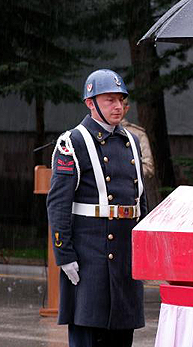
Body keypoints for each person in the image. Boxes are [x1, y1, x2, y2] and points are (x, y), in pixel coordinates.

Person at [47, 69, 147, 347]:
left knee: (121, 336)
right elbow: (58, 204)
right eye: (109, 100)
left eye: (121, 100)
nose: (118, 107)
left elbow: (140, 198)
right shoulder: (73, 142)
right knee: (88, 335)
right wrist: (64, 254)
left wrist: (144, 249)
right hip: (89, 255)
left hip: (125, 254)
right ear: (90, 103)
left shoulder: (132, 141)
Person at [120, 99, 159, 206]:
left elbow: (148, 167)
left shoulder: (137, 134)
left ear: (126, 108)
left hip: (130, 195)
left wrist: (125, 172)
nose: (116, 108)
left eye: (120, 104)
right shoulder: (93, 133)